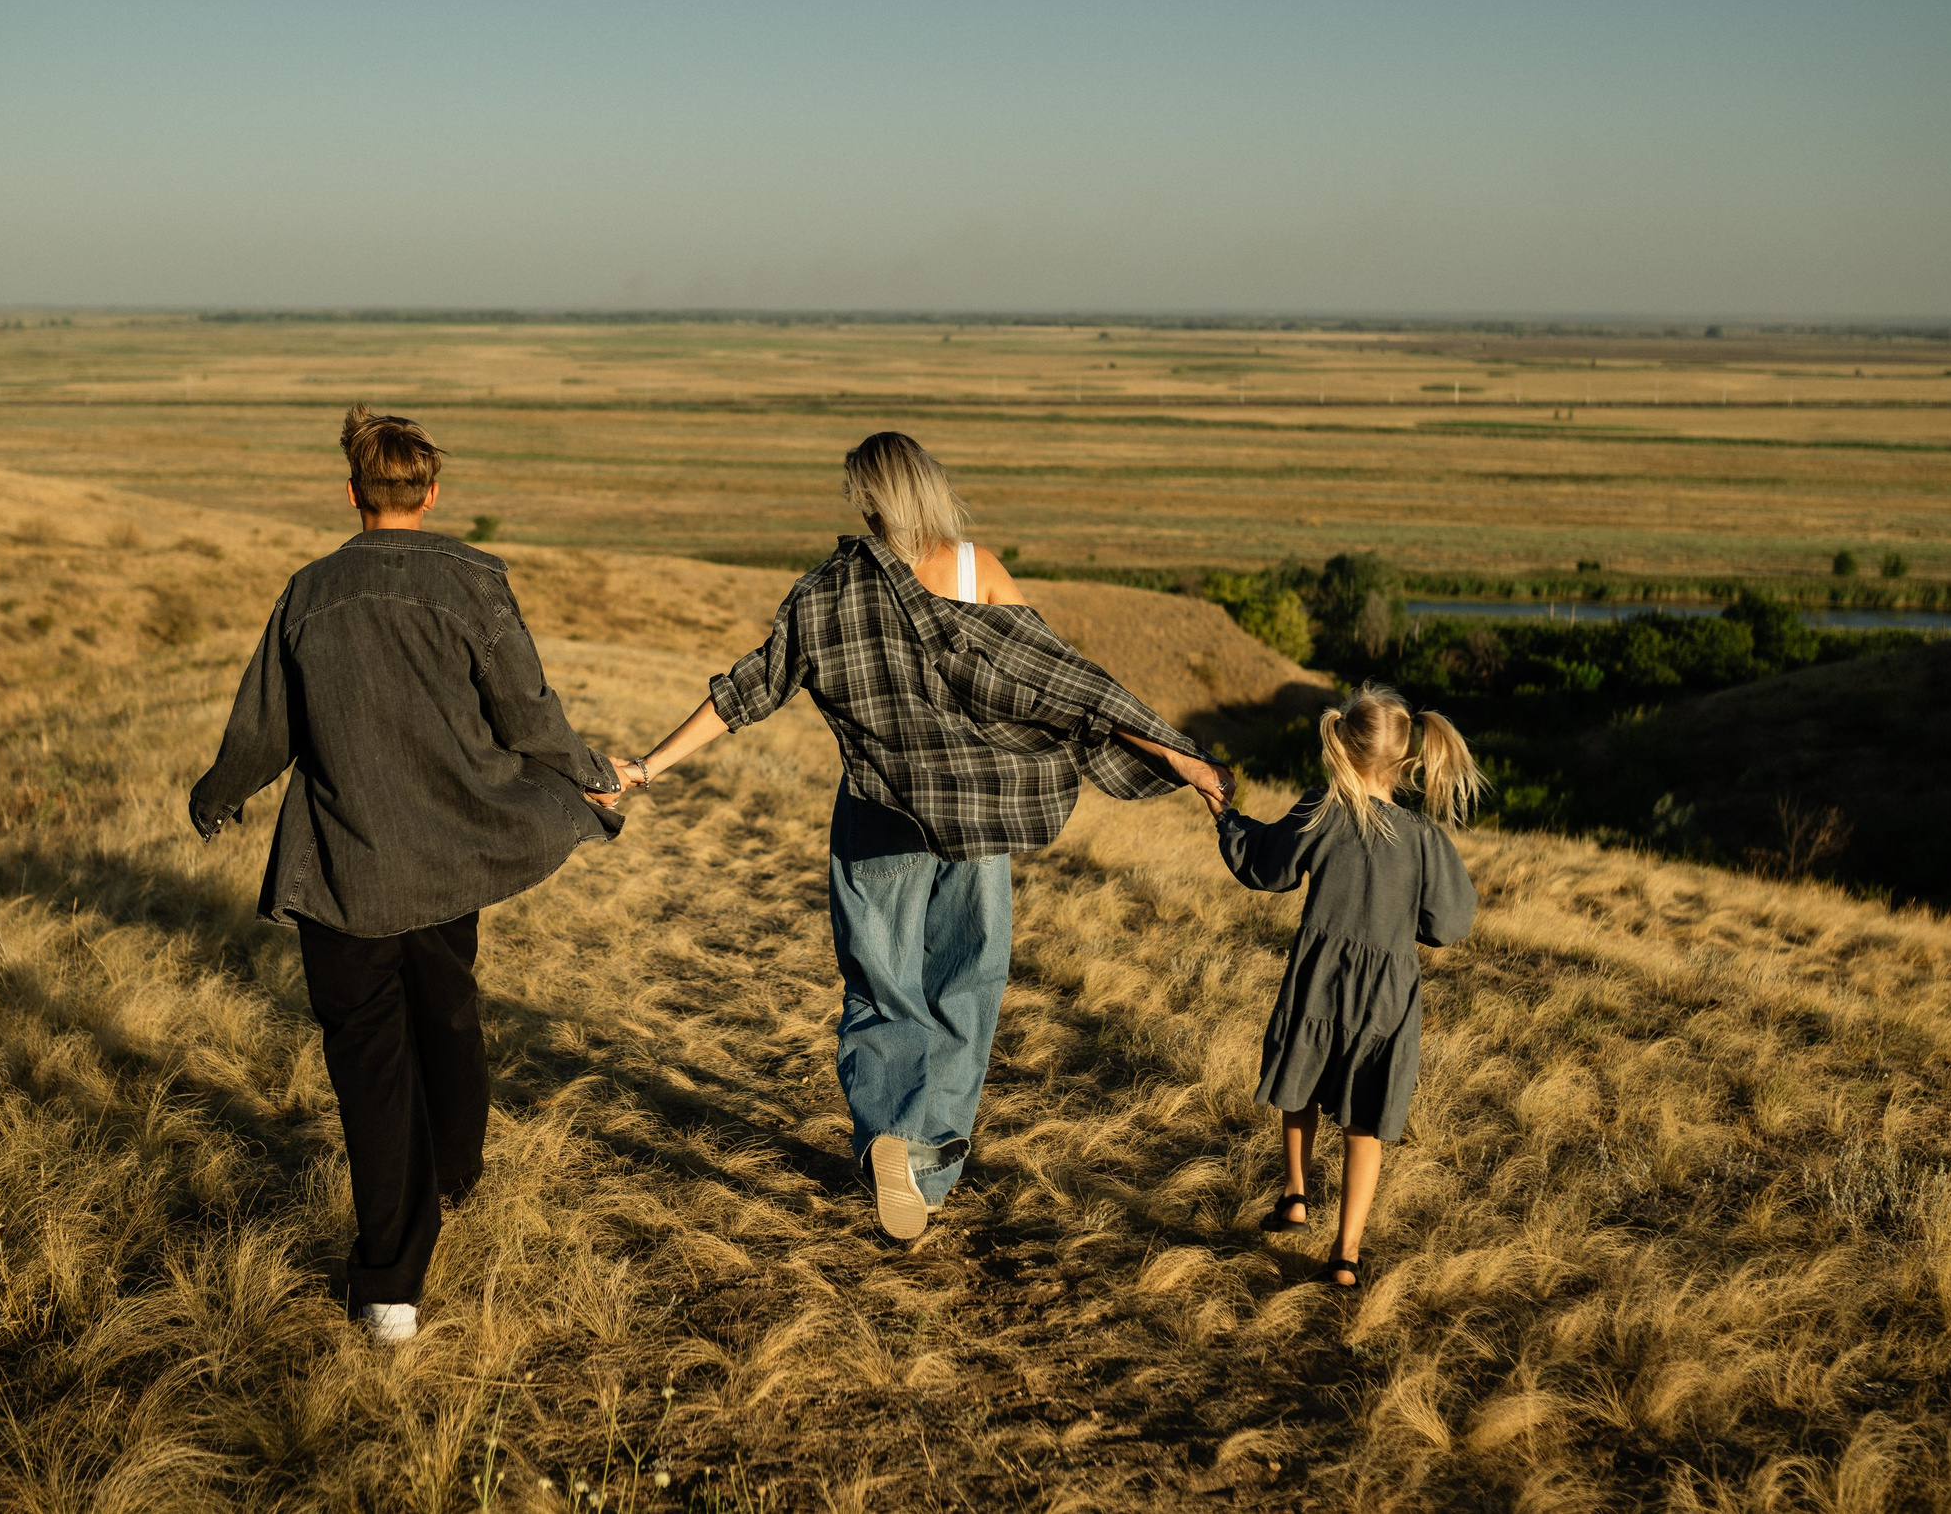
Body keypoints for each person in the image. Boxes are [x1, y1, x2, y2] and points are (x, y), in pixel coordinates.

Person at [626, 432, 1233, 1240]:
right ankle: (925, 1165)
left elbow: (749, 688)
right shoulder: (976, 572)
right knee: (966, 985)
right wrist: (1183, 760)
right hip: (976, 821)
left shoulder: (826, 592)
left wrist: (649, 763)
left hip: (876, 816)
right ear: (930, 488)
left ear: (867, 502)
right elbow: (1067, 684)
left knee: (882, 987)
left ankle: (886, 1131)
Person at [188, 404, 639, 1344]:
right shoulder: (475, 580)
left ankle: (392, 1282)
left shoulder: (307, 594)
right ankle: (452, 1173)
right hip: (451, 852)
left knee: (370, 1063)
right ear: (432, 494)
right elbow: (527, 714)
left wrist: (217, 795)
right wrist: (591, 769)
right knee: (447, 1011)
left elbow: (262, 730)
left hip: (344, 868)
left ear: (352, 493)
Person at [1214, 685, 1481, 1287]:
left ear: (1341, 742)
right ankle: (1346, 1256)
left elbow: (1266, 866)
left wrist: (1227, 816)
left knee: (1299, 1083)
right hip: (1388, 996)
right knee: (1368, 1120)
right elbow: (1451, 922)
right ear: (1408, 758)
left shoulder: (1322, 810)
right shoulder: (1423, 837)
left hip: (1319, 980)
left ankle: (1295, 1196)